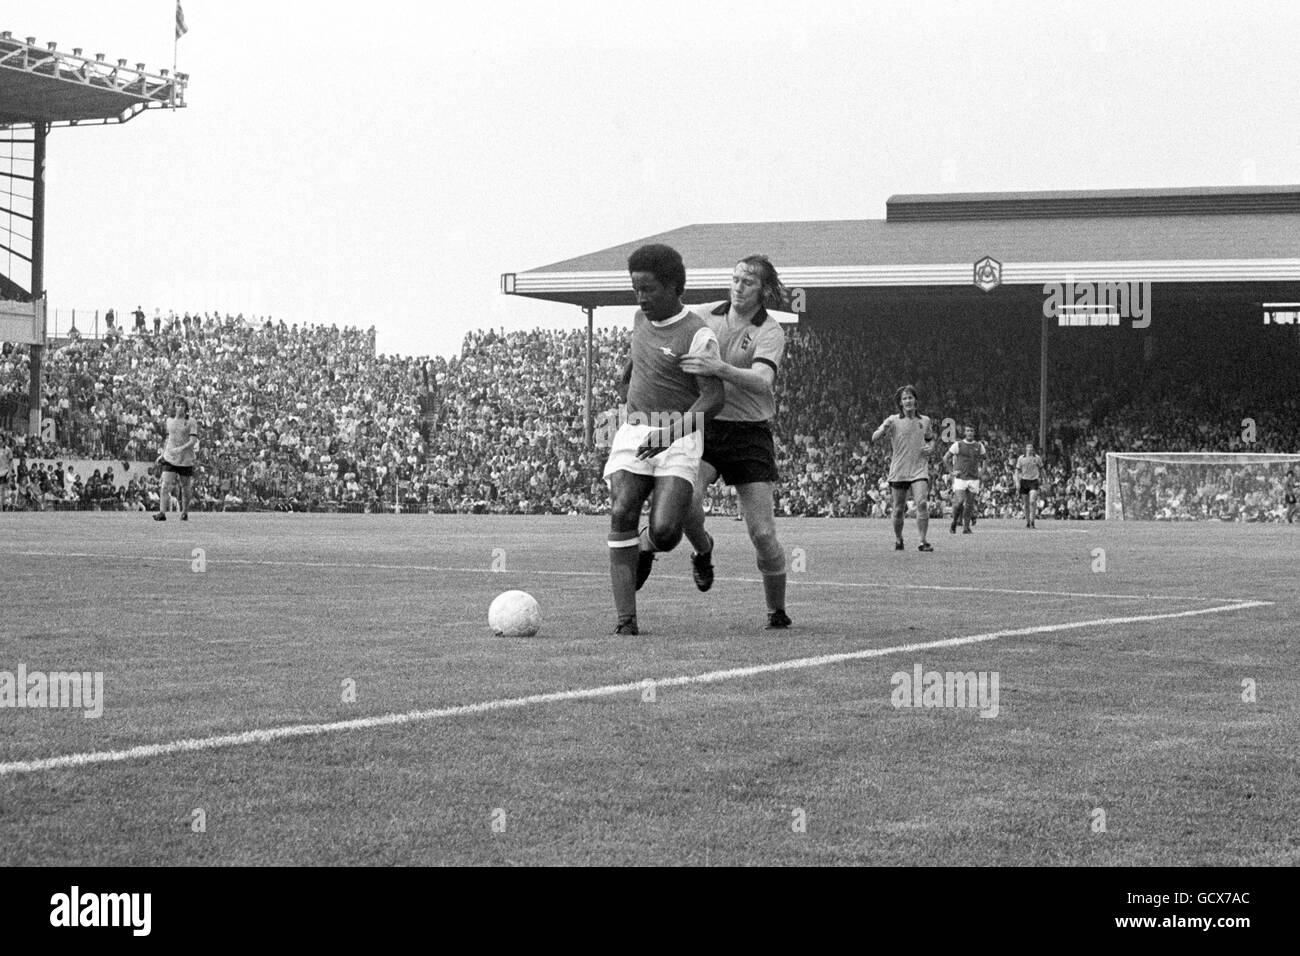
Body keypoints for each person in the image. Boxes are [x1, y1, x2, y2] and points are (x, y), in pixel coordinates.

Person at [603, 244, 724, 636]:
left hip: (679, 433)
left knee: (668, 531)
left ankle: (686, 547)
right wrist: (629, 378)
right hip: (636, 429)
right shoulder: (640, 318)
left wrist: (669, 433)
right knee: (622, 509)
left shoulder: (697, 335)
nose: (640, 298)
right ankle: (626, 621)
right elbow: (642, 356)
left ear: (674, 286)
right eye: (635, 288)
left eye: (649, 289)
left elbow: (714, 398)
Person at [678, 254, 792, 629]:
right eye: (735, 278)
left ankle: (776, 610)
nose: (738, 286)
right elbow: (672, 333)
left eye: (748, 282)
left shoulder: (770, 330)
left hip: (749, 432)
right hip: (708, 426)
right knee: (687, 502)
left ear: (762, 291)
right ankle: (703, 550)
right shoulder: (705, 314)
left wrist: (719, 369)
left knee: (762, 533)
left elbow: (762, 380)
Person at [872, 385, 937, 551]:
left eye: (910, 397)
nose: (908, 401)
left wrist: (931, 447)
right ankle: (899, 538)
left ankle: (923, 541)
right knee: (899, 509)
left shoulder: (925, 420)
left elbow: (930, 439)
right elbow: (875, 437)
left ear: (916, 400)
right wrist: (882, 430)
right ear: (900, 403)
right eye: (904, 398)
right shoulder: (893, 420)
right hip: (899, 470)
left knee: (922, 503)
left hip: (919, 469)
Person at [155, 397, 199, 521]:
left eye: (182, 405)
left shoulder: (191, 421)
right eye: (177, 405)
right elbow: (169, 439)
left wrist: (180, 449)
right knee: (165, 485)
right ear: (174, 406)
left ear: (186, 408)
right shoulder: (169, 420)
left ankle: (185, 512)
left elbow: (193, 440)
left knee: (185, 486)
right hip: (170, 457)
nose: (179, 407)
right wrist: (163, 454)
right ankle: (162, 513)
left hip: (185, 459)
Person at [943, 423, 987, 534]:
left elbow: (985, 459)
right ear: (964, 432)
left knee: (969, 504)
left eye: (971, 431)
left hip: (973, 478)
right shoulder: (958, 445)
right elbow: (945, 458)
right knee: (960, 501)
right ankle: (954, 522)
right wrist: (951, 472)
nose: (970, 433)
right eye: (967, 430)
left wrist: (982, 471)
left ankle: (966, 527)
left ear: (974, 432)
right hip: (960, 478)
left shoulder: (979, 445)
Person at [1014, 441, 1044, 528]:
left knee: (1032, 501)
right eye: (1028, 447)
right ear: (1026, 449)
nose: (1030, 449)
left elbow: (1042, 469)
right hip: (1024, 481)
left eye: (1031, 447)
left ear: (1033, 449)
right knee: (1026, 504)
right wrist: (1017, 482)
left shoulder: (1037, 458)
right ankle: (1027, 521)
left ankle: (1032, 521)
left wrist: (1045, 481)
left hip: (1034, 481)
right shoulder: (1021, 458)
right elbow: (1017, 471)